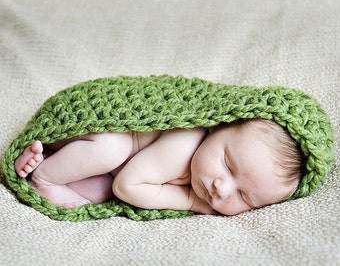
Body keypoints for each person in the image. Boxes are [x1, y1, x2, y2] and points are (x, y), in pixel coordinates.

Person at [14, 118, 305, 216]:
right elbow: (127, 186)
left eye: (245, 198)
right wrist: (190, 201)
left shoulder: (202, 168)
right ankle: (45, 177)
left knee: (100, 191)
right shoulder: (185, 145)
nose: (222, 187)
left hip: (96, 161)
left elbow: (117, 186)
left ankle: (39, 159)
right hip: (91, 130)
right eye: (227, 164)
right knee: (114, 148)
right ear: (218, 129)